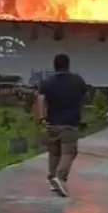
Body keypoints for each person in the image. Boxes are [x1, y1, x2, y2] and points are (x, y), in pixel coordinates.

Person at [36, 53, 87, 197]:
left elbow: (40, 99)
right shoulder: (77, 81)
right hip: (70, 123)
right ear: (68, 65)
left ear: (54, 66)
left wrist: (42, 118)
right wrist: (81, 115)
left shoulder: (47, 82)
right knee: (69, 152)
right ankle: (60, 176)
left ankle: (53, 179)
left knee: (54, 153)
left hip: (52, 122)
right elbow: (84, 99)